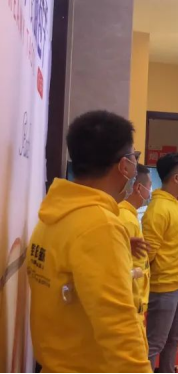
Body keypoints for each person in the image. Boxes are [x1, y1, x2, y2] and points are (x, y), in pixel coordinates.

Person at [27, 110, 152, 373]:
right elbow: (118, 326)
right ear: (123, 165)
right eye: (134, 157)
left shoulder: (55, 212)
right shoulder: (99, 225)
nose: (134, 166)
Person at [143, 153, 178, 373]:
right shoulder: (158, 209)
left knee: (175, 337)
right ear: (176, 178)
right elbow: (147, 255)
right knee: (155, 342)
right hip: (165, 288)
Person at [118, 164, 154, 351]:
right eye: (149, 186)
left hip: (137, 302)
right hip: (131, 305)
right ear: (139, 188)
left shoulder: (130, 215)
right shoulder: (125, 218)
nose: (151, 191)